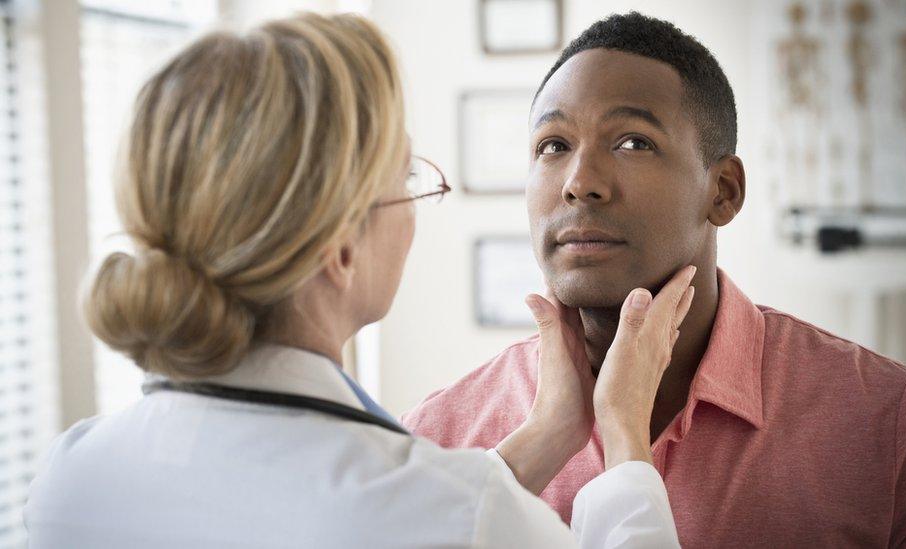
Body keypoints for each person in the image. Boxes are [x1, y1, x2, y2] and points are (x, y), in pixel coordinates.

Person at [23, 13, 689, 548]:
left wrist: (547, 436)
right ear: (341, 248)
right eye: (404, 181)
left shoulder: (69, 475)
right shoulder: (457, 510)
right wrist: (625, 443)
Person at [403, 12, 906, 548]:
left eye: (633, 142)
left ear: (723, 191)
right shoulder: (434, 439)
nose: (579, 182)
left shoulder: (895, 429)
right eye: (553, 146)